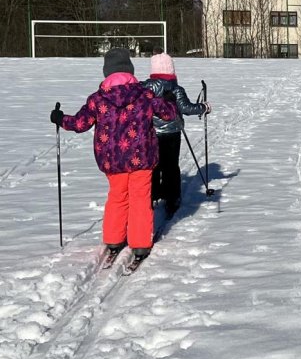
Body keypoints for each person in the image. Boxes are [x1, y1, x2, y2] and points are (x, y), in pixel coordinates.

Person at [50, 48, 177, 262]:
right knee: (140, 198)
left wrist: (60, 118)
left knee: (117, 197)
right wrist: (170, 100)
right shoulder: (145, 95)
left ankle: (114, 239)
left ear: (106, 72)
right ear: (130, 70)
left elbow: (80, 124)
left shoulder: (97, 99)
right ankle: (140, 244)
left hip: (112, 160)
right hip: (141, 158)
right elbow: (168, 114)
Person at [142, 51, 211, 218]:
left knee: (153, 165)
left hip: (150, 133)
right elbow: (186, 108)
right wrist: (203, 107)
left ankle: (152, 195)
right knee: (171, 166)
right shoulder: (175, 88)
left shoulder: (144, 88)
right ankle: (172, 198)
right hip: (172, 133)